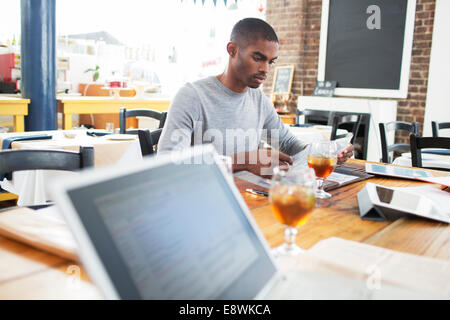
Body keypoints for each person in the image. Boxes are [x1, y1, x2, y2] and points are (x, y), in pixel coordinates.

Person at [158, 18, 353, 177]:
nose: (265, 69)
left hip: (250, 196)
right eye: (258, 58)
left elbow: (288, 144)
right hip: (204, 201)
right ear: (232, 50)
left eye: (271, 62)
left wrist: (325, 154)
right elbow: (168, 163)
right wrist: (244, 161)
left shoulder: (258, 99)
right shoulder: (192, 96)